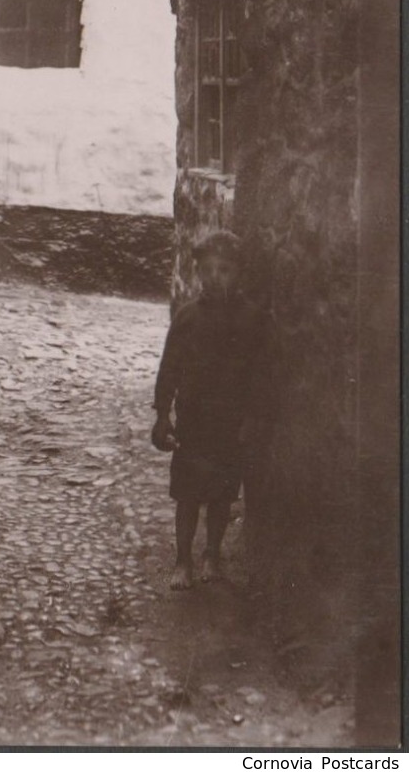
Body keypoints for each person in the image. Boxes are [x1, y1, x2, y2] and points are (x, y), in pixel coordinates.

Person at [151, 230, 269, 590]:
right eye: (208, 270)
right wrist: (162, 416)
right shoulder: (187, 318)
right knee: (187, 495)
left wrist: (251, 419)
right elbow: (169, 368)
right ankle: (183, 559)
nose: (216, 278)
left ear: (239, 273)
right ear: (198, 272)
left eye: (225, 270)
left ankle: (212, 555)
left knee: (221, 495)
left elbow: (260, 374)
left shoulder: (253, 320)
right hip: (194, 422)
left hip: (229, 425)